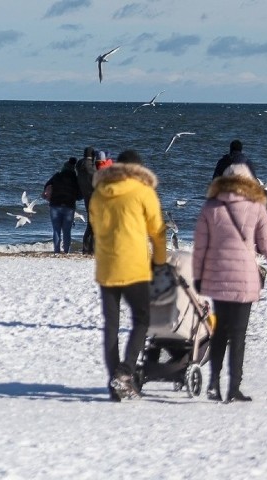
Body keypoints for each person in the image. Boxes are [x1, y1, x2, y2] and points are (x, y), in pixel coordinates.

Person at [192, 163, 267, 403]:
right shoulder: (256, 207)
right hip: (244, 278)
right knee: (239, 335)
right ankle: (234, 387)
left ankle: (214, 383)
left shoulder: (210, 207)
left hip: (217, 276)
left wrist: (197, 276)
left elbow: (200, 247)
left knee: (220, 331)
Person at [89, 149, 166, 401]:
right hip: (134, 266)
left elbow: (95, 225)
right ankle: (125, 372)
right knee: (141, 320)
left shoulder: (100, 193)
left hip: (107, 266)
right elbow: (158, 231)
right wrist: (160, 262)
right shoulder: (144, 192)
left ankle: (114, 383)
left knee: (111, 325)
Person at [44, 158, 82, 253]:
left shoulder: (57, 176)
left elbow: (46, 186)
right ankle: (66, 251)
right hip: (69, 206)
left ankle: (56, 251)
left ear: (64, 167)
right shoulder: (75, 179)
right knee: (67, 231)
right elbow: (79, 195)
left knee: (56, 230)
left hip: (55, 205)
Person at [75, 147, 96, 254]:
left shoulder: (80, 168)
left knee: (90, 224)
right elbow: (97, 180)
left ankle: (86, 248)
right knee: (94, 225)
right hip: (94, 198)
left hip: (86, 198)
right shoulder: (90, 168)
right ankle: (91, 249)